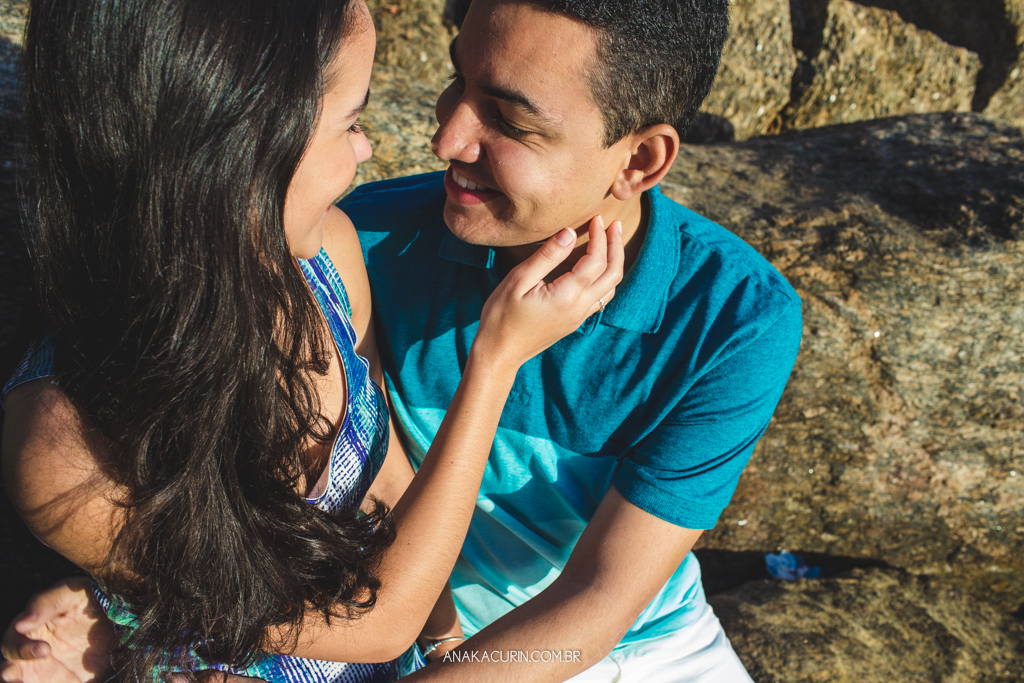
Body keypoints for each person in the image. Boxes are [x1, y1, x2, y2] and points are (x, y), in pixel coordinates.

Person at [4, 0, 804, 681]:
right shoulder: (352, 235)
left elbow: (595, 602)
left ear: (640, 159)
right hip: (391, 628)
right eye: (456, 77)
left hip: (617, 646)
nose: (445, 138)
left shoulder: (734, 319)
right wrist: (133, 592)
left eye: (511, 119)